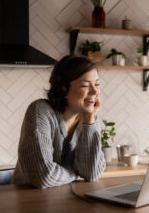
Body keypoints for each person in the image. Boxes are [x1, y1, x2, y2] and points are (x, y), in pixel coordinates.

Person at [11, 55, 106, 188]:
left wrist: (90, 120)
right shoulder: (40, 111)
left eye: (97, 84)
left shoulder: (89, 118)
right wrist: (74, 173)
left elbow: (91, 173)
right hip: (29, 201)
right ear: (64, 89)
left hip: (66, 200)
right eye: (85, 85)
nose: (95, 91)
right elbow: (43, 176)